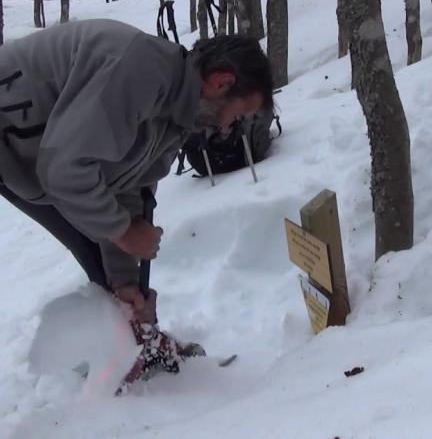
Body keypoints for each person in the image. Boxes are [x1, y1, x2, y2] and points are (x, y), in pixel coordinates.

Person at [0, 18, 273, 323]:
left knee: (103, 260)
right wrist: (124, 232)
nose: (228, 127)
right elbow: (65, 171)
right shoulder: (139, 68)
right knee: (97, 237)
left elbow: (124, 193)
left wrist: (126, 283)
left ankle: (130, 344)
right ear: (222, 82)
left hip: (19, 159)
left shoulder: (174, 123)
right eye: (238, 115)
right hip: (17, 147)